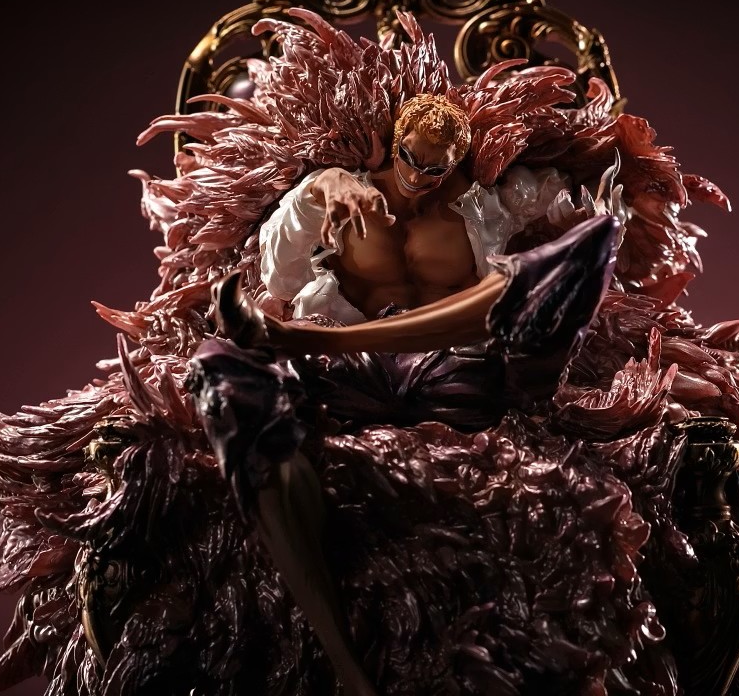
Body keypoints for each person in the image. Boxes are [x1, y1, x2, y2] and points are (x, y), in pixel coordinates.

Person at [187, 93, 624, 696]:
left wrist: (607, 199)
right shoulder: (340, 194)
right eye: (410, 160)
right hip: (346, 373)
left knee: (592, 246)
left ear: (457, 162)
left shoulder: (485, 206)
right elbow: (277, 265)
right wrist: (321, 188)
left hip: (456, 371)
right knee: (219, 368)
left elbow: (572, 201)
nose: (419, 177)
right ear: (394, 145)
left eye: (435, 168)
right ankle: (350, 672)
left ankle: (296, 339)